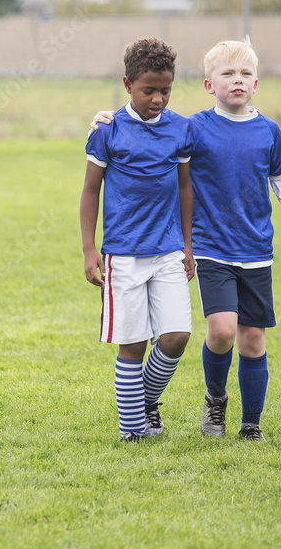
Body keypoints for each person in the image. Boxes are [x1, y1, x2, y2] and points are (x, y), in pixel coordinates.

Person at [90, 39, 281, 442]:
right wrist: (106, 117)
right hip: (209, 249)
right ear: (208, 85)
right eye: (228, 74)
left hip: (256, 253)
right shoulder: (193, 128)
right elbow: (146, 127)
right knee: (220, 331)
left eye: (246, 74)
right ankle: (214, 402)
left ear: (257, 83)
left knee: (252, 338)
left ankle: (250, 424)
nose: (238, 81)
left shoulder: (269, 132)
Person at [80, 38, 196, 443]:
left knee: (177, 335)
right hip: (123, 255)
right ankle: (132, 432)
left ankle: (143, 401)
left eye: (166, 89)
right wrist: (89, 248)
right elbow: (91, 191)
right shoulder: (108, 130)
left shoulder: (181, 129)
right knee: (132, 345)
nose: (159, 98)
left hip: (167, 250)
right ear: (128, 84)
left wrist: (187, 244)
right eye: (149, 90)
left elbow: (185, 189)